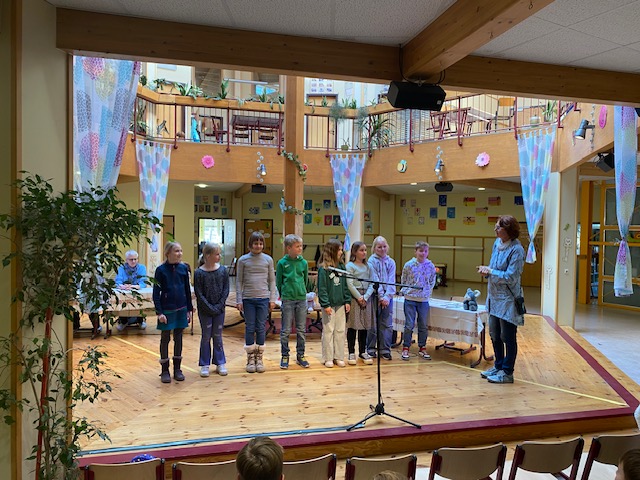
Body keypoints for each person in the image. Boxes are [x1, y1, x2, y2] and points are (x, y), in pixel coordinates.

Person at [477, 215, 525, 384]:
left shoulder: (517, 250)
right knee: (495, 334)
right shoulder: (497, 243)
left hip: (508, 299)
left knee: (507, 336)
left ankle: (507, 372)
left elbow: (511, 276)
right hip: (494, 297)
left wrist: (491, 272)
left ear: (508, 230)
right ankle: (498, 366)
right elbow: (493, 267)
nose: (495, 230)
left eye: (498, 227)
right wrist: (487, 270)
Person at [153, 241, 194, 383]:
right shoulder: (160, 270)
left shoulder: (183, 269)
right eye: (176, 251)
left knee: (179, 338)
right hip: (166, 310)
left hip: (181, 309)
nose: (180, 253)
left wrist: (189, 309)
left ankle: (177, 369)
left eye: (181, 250)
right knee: (165, 339)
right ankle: (165, 370)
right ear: (167, 253)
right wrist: (159, 312)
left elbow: (187, 290)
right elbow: (156, 293)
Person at [236, 232, 277, 374]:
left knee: (260, 327)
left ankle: (259, 358)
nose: (258, 246)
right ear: (250, 245)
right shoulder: (243, 260)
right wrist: (239, 299)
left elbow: (272, 280)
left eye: (260, 243)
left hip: (263, 299)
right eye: (255, 243)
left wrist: (272, 299)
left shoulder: (268, 260)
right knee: (250, 327)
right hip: (248, 299)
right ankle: (250, 358)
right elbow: (239, 281)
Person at [194, 242, 229, 377]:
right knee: (206, 336)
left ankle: (220, 362)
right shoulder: (199, 273)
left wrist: (219, 306)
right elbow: (199, 293)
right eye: (217, 254)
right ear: (208, 256)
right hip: (205, 311)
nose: (219, 256)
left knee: (217, 336)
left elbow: (226, 289)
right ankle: (204, 364)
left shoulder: (223, 270)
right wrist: (209, 307)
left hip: (219, 310)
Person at [276, 234, 310, 369]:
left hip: (301, 299)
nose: (300, 248)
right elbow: (279, 282)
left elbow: (305, 280)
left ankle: (301, 355)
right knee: (286, 330)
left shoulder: (304, 263)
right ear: (289, 248)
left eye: (301, 246)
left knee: (301, 329)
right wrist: (284, 294)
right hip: (288, 299)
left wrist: (302, 292)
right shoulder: (281, 263)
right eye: (297, 246)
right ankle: (285, 355)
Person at [399, 241, 437, 361]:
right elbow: (404, 279)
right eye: (420, 251)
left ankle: (422, 347)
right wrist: (406, 291)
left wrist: (427, 292)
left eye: (425, 251)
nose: (423, 253)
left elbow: (432, 280)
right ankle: (406, 347)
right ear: (415, 251)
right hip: (410, 299)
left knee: (423, 325)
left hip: (423, 300)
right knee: (409, 324)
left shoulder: (430, 266)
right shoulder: (408, 265)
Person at [317, 238, 351, 368]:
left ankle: (339, 356)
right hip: (329, 305)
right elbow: (322, 288)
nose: (341, 252)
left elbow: (345, 286)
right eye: (339, 250)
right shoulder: (324, 269)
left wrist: (347, 300)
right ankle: (328, 357)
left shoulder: (341, 267)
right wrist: (325, 304)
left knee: (340, 330)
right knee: (328, 331)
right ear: (332, 251)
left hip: (340, 303)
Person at [346, 241, 376, 365]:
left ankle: (363, 351)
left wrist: (366, 297)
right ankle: (351, 352)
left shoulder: (369, 266)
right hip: (355, 297)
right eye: (361, 250)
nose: (364, 252)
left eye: (365, 250)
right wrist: (359, 297)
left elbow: (372, 282)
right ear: (354, 252)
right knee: (353, 325)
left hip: (366, 297)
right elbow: (349, 284)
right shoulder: (350, 266)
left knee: (364, 325)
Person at [367, 236, 396, 360]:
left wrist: (387, 297)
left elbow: (391, 280)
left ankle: (385, 349)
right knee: (373, 324)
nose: (382, 249)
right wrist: (380, 296)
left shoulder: (391, 262)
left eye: (384, 246)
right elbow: (374, 279)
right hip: (375, 296)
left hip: (387, 298)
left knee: (386, 324)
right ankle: (370, 348)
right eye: (379, 247)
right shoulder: (371, 261)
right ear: (374, 248)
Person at [114, 250, 148, 331]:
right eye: (131, 259)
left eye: (135, 259)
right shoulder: (121, 268)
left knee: (140, 301)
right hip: (124, 291)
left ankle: (140, 321)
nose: (133, 261)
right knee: (122, 300)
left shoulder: (142, 268)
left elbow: (143, 283)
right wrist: (122, 286)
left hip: (136, 290)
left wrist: (132, 286)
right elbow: (118, 281)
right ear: (126, 260)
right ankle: (123, 321)